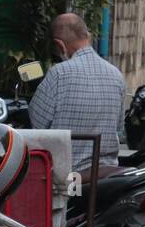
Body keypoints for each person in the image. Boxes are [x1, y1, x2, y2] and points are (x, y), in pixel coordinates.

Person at [28, 13, 125, 175]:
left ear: (60, 45)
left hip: (67, 178)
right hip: (107, 175)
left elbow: (36, 125)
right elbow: (119, 130)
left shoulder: (58, 74)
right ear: (87, 36)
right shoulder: (116, 75)